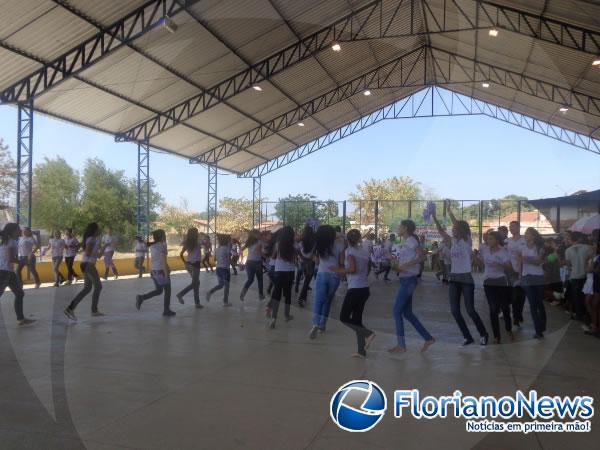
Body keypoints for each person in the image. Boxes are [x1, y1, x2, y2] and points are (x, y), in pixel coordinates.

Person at [433, 200, 488, 346]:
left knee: (470, 310)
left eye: (455, 228)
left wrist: (450, 210)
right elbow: (440, 230)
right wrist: (433, 215)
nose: (453, 229)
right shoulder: (452, 242)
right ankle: (467, 337)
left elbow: (456, 223)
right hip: (454, 279)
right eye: (453, 228)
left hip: (466, 279)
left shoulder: (466, 240)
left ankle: (483, 333)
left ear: (462, 230)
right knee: (455, 311)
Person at [388, 220, 435, 353]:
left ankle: (401, 345)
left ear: (406, 228)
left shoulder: (412, 241)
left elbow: (422, 257)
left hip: (409, 280)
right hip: (404, 279)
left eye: (400, 226)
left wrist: (407, 265)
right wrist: (394, 262)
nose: (398, 228)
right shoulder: (402, 242)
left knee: (397, 311)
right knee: (407, 313)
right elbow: (401, 261)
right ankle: (428, 338)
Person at [333, 229, 375, 358]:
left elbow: (352, 269)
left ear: (347, 240)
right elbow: (368, 268)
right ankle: (361, 351)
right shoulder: (364, 251)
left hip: (355, 289)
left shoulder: (349, 252)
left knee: (344, 318)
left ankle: (368, 333)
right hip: (364, 288)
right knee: (356, 320)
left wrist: (339, 270)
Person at [475, 231, 513, 344]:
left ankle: (508, 328)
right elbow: (481, 266)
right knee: (493, 308)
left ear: (496, 240)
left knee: (504, 307)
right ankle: (497, 335)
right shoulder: (485, 251)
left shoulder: (503, 252)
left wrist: (500, 265)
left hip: (500, 281)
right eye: (487, 239)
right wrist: (475, 257)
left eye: (491, 239)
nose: (488, 241)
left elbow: (510, 268)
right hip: (488, 282)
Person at [64, 223, 104, 320]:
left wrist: (105, 246)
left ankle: (70, 308)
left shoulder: (93, 239)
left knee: (87, 288)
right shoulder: (91, 239)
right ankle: (94, 310)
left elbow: (98, 256)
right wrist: (96, 250)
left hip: (86, 264)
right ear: (94, 230)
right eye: (98, 228)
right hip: (88, 264)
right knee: (98, 286)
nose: (100, 229)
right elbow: (88, 252)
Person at [310, 225, 343, 339]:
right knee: (328, 302)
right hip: (334, 276)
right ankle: (322, 325)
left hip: (322, 274)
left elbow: (317, 262)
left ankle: (315, 323)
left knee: (318, 301)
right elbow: (341, 262)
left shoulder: (319, 245)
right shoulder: (339, 245)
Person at [0, 223, 35, 326]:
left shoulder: (10, 241)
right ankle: (21, 319)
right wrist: (25, 263)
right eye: (18, 229)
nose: (20, 231)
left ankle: (21, 319)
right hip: (4, 272)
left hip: (9, 272)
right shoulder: (10, 242)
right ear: (13, 231)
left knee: (20, 293)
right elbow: (10, 258)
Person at [135, 229, 175, 317]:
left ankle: (141, 298)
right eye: (164, 235)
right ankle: (166, 310)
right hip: (161, 271)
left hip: (154, 271)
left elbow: (158, 259)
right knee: (167, 290)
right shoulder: (161, 246)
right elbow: (163, 261)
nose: (166, 236)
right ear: (161, 237)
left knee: (159, 290)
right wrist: (166, 273)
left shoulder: (153, 246)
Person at [519, 227, 548, 339]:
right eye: (525, 233)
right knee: (532, 304)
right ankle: (538, 330)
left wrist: (526, 259)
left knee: (539, 303)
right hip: (527, 278)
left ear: (534, 236)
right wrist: (520, 277)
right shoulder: (523, 248)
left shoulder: (540, 247)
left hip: (538, 277)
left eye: (528, 233)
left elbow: (538, 262)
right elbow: (521, 263)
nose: (526, 235)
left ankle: (542, 325)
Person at [267, 226, 296, 328]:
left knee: (277, 296)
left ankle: (274, 318)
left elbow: (274, 257)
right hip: (290, 272)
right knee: (287, 295)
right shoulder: (294, 245)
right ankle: (286, 315)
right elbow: (295, 259)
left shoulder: (278, 244)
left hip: (279, 272)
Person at [564, 232, 592, 321]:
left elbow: (568, 265)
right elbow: (591, 260)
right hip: (586, 275)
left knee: (577, 297)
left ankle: (579, 315)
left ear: (571, 239)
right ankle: (587, 315)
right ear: (579, 238)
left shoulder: (568, 250)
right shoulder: (588, 248)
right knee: (586, 296)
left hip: (574, 276)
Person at [176, 227, 203, 308]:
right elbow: (207, 244)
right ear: (194, 234)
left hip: (189, 265)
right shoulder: (198, 242)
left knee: (196, 283)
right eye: (197, 232)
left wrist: (185, 263)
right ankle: (181, 294)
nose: (198, 233)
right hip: (195, 265)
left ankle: (197, 303)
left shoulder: (187, 242)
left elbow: (181, 254)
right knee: (195, 283)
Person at [507, 221, 526, 327]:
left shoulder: (524, 241)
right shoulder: (508, 241)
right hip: (511, 271)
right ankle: (516, 316)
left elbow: (524, 256)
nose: (511, 228)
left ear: (519, 227)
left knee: (521, 296)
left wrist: (521, 271)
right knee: (514, 295)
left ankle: (519, 314)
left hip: (523, 271)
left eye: (513, 226)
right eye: (510, 227)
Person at [206, 234, 232, 306]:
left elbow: (215, 259)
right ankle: (225, 301)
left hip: (218, 269)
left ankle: (210, 292)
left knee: (221, 285)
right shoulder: (227, 249)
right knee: (227, 286)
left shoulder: (218, 249)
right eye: (230, 240)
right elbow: (231, 258)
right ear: (227, 241)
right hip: (225, 270)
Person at [240, 230, 265, 301]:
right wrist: (267, 257)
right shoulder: (259, 242)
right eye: (258, 234)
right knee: (260, 280)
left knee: (250, 280)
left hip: (249, 262)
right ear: (255, 235)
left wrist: (241, 258)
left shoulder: (249, 242)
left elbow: (241, 249)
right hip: (257, 262)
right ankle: (261, 295)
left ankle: (243, 293)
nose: (260, 235)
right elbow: (259, 252)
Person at [297, 225, 316, 307]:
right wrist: (308, 259)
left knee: (304, 279)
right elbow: (314, 255)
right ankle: (302, 298)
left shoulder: (301, 242)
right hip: (310, 263)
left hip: (302, 263)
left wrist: (302, 258)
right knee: (307, 281)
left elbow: (297, 251)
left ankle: (302, 296)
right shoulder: (314, 243)